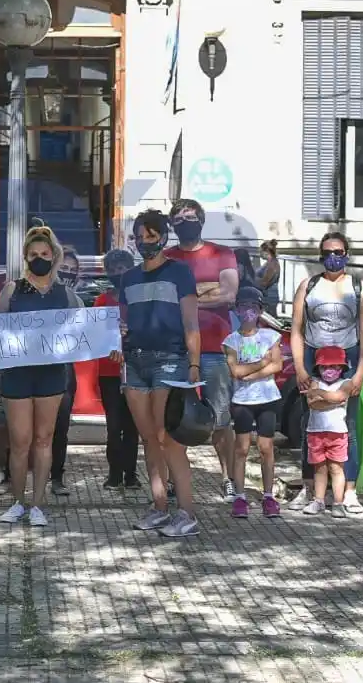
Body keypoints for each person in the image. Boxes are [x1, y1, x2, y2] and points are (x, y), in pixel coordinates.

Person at [116, 209, 201, 538]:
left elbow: (191, 322)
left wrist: (193, 364)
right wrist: (117, 337)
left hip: (170, 360)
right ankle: (159, 506)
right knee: (149, 438)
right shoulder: (128, 278)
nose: (144, 242)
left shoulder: (180, 272)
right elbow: (122, 322)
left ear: (164, 237)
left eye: (151, 236)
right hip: (134, 363)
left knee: (169, 439)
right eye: (139, 236)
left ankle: (187, 513)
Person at [0, 227, 83, 528]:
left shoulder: (65, 294)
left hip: (51, 375)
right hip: (16, 374)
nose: (39, 259)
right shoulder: (11, 290)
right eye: (33, 254)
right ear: (25, 257)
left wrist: (110, 336)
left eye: (44, 254)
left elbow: (83, 330)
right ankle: (18, 501)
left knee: (44, 440)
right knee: (20, 441)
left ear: (54, 256)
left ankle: (38, 504)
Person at [289, 232, 363, 514]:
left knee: (346, 424)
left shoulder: (359, 288)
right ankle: (310, 489)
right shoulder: (309, 286)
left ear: (347, 254)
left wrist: (359, 374)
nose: (333, 257)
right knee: (310, 422)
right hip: (314, 356)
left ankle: (348, 491)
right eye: (327, 252)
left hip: (347, 357)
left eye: (338, 252)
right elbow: (296, 329)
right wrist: (300, 367)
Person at [163, 198, 240, 503]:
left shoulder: (222, 254)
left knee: (220, 417)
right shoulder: (167, 258)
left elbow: (230, 293)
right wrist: (208, 290)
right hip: (175, 349)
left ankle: (229, 479)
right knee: (172, 418)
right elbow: (164, 298)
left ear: (202, 220)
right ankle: (172, 481)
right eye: (180, 219)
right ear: (172, 225)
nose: (186, 222)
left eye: (191, 217)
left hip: (215, 349)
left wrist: (186, 297)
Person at [222, 286, 285, 518]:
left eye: (252, 307)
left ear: (260, 311)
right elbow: (235, 371)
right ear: (236, 310)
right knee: (241, 448)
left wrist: (250, 374)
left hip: (267, 398)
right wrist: (261, 363)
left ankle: (268, 496)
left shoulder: (270, 336)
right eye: (243, 307)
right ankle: (240, 497)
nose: (248, 312)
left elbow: (277, 365)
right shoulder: (231, 340)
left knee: (266, 448)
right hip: (242, 401)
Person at [98, 248, 139, 489]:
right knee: (113, 426)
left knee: (132, 426)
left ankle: (131, 475)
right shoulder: (102, 301)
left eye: (121, 269)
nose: (116, 273)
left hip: (135, 370)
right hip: (109, 372)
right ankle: (114, 474)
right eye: (112, 270)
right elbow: (95, 336)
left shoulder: (138, 300)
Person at [303, 346, 351, 518]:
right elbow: (312, 403)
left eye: (333, 366)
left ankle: (338, 503)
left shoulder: (346, 383)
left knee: (336, 468)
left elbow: (340, 396)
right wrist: (333, 401)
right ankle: (318, 501)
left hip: (337, 433)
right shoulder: (314, 382)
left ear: (341, 368)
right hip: (315, 432)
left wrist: (320, 394)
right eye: (324, 367)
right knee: (319, 468)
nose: (329, 370)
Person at [50, 245, 82, 496]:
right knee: (22, 429)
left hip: (62, 370)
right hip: (31, 370)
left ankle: (57, 478)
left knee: (60, 428)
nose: (68, 273)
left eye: (73, 270)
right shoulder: (31, 293)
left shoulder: (76, 300)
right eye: (64, 268)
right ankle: (10, 476)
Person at [256, 240, 281, 317]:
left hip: (269, 299)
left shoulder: (272, 265)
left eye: (261, 252)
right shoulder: (269, 263)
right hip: (266, 297)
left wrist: (251, 281)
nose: (260, 254)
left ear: (266, 252)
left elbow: (265, 282)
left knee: (269, 320)